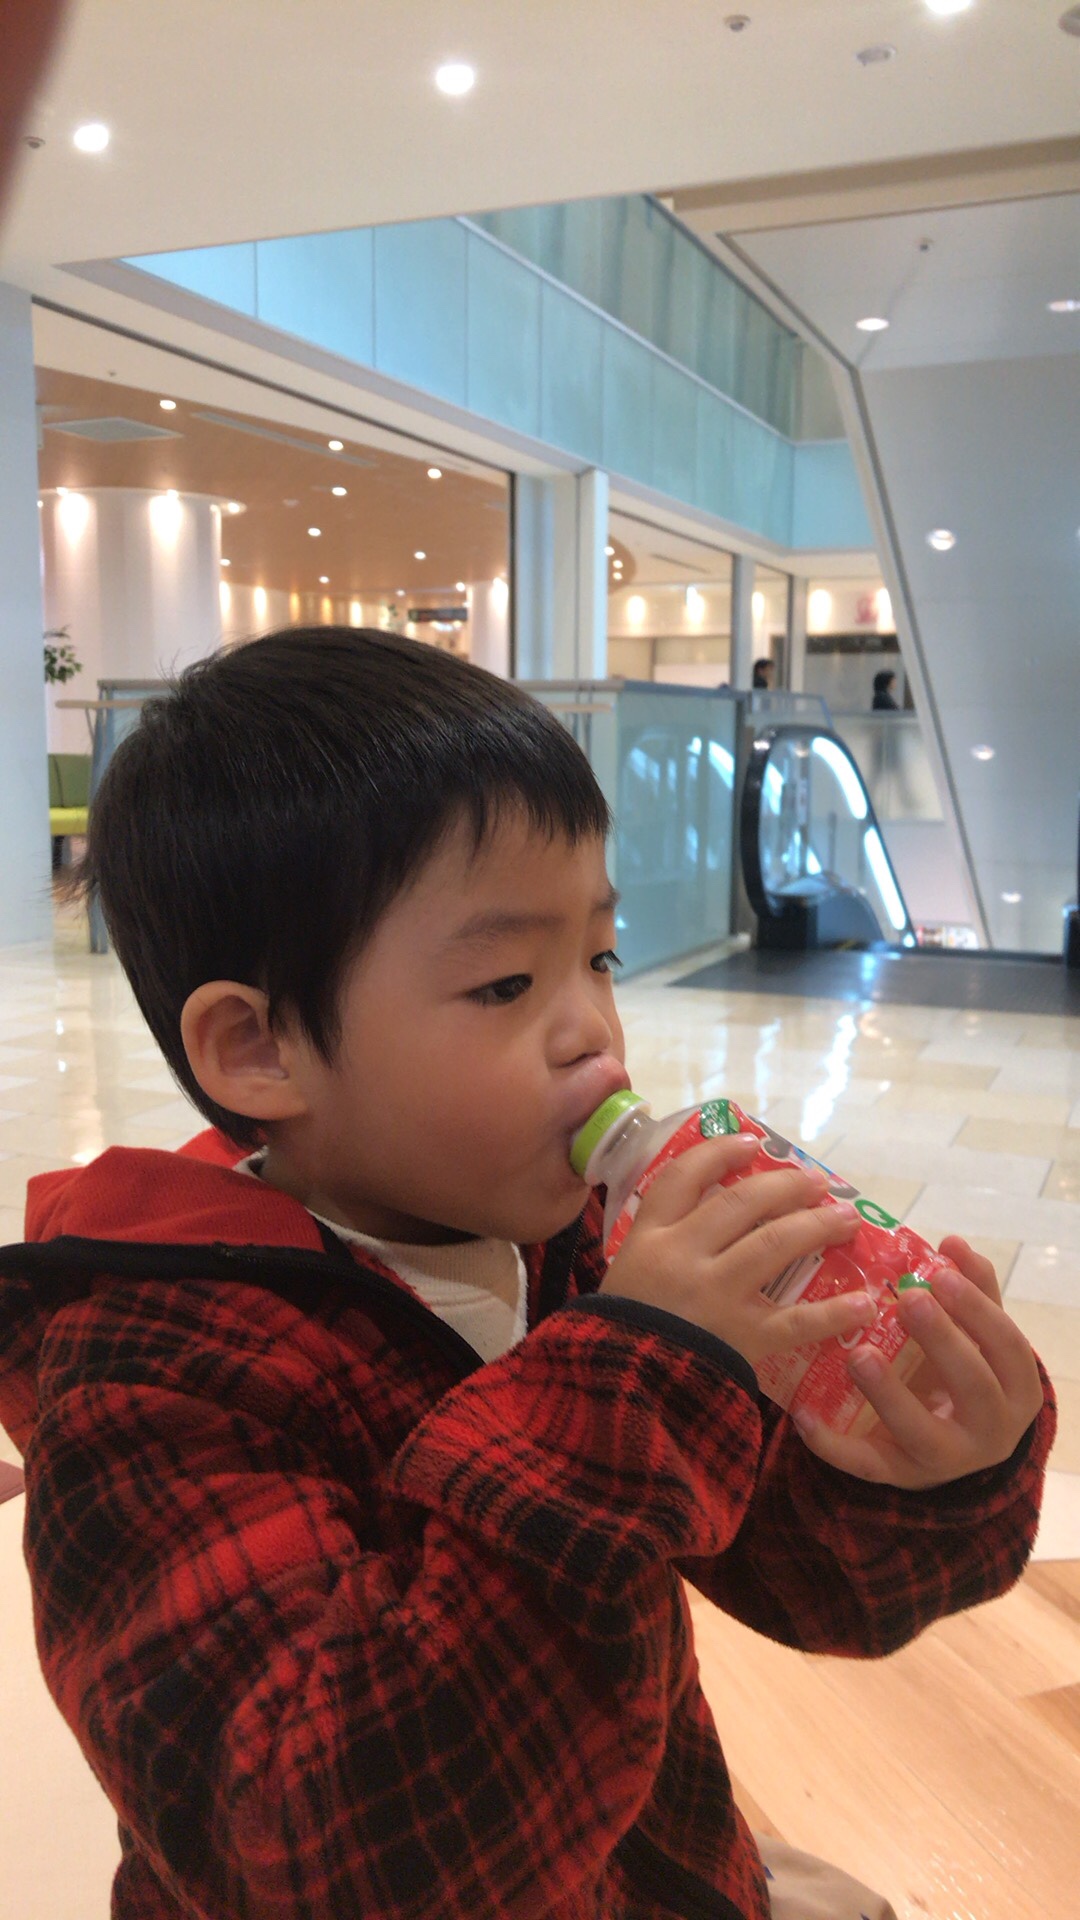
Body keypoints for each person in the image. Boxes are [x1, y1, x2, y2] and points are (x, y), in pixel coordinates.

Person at [0, 629, 1054, 1920]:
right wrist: (629, 1387)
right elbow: (325, 1857)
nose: (592, 1030)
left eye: (598, 957)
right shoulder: (150, 1387)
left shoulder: (576, 1250)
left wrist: (925, 1470)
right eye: (506, 982)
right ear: (259, 1047)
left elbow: (794, 1570)